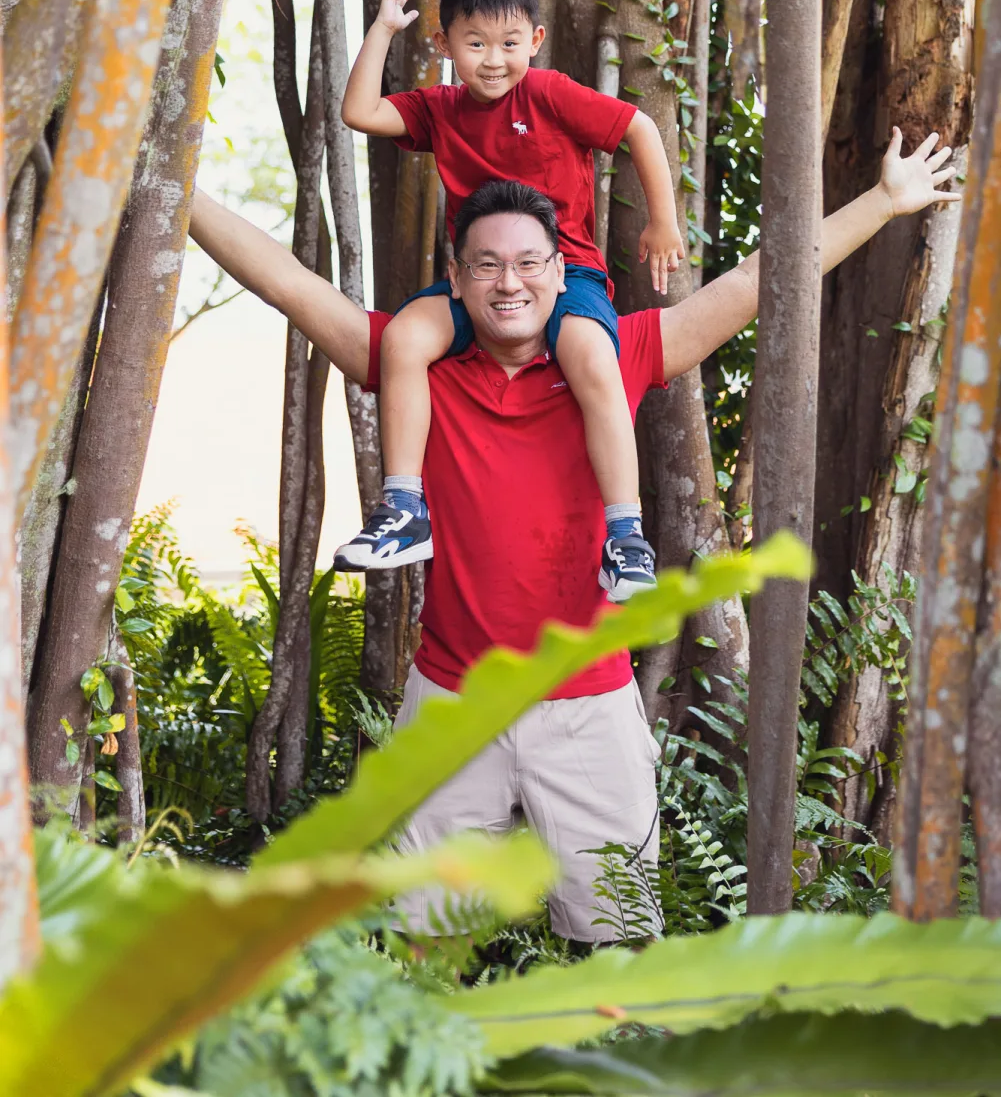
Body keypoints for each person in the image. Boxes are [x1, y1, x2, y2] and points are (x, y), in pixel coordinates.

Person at [187, 126, 957, 938]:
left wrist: (881, 201)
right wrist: (174, 181)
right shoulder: (416, 366)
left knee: (618, 942)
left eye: (527, 263)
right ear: (455, 278)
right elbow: (287, 283)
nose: (508, 282)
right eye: (485, 264)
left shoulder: (613, 357)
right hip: (453, 699)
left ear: (561, 273)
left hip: (589, 708)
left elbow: (757, 281)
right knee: (424, 944)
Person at [333, 0, 686, 601]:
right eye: (474, 44)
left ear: (536, 40)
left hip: (566, 271)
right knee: (405, 340)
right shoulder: (439, 110)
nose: (493, 61)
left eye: (509, 44)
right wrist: (384, 27)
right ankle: (406, 507)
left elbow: (638, 125)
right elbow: (358, 112)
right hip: (481, 279)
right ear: (444, 46)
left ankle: (626, 535)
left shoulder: (547, 93)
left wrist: (663, 220)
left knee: (592, 358)